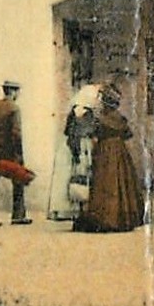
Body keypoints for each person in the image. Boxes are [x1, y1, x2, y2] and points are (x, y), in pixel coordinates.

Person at [73, 87, 145, 233]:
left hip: (104, 152)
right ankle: (122, 218)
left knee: (103, 184)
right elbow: (128, 134)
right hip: (120, 151)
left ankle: (105, 218)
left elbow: (89, 133)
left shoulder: (99, 119)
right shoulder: (120, 118)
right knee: (122, 183)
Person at [0, 80, 30, 226]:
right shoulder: (14, 108)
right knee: (18, 181)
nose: (18, 94)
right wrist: (19, 154)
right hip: (9, 151)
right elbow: (16, 133)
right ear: (13, 92)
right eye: (17, 91)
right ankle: (18, 215)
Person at [50, 81, 99, 222]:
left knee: (67, 179)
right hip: (81, 147)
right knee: (80, 177)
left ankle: (65, 211)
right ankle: (79, 210)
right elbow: (88, 131)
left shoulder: (74, 111)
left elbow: (68, 131)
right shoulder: (88, 114)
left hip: (68, 146)